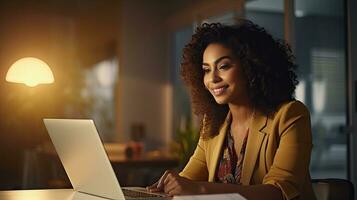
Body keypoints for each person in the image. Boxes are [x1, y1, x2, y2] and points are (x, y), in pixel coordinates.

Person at [147, 19, 316, 200]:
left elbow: (279, 193)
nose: (212, 78)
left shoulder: (291, 115)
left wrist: (199, 190)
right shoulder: (213, 124)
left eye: (223, 66)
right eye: (206, 69)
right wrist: (167, 188)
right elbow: (189, 179)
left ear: (251, 66)